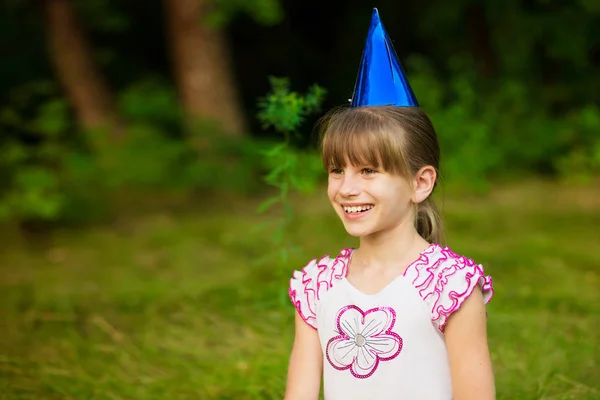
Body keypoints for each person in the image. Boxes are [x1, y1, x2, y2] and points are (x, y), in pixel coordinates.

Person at [284, 8, 495, 400]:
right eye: (336, 170)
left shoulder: (448, 287)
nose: (347, 188)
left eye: (368, 171)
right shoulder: (319, 287)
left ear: (420, 182)